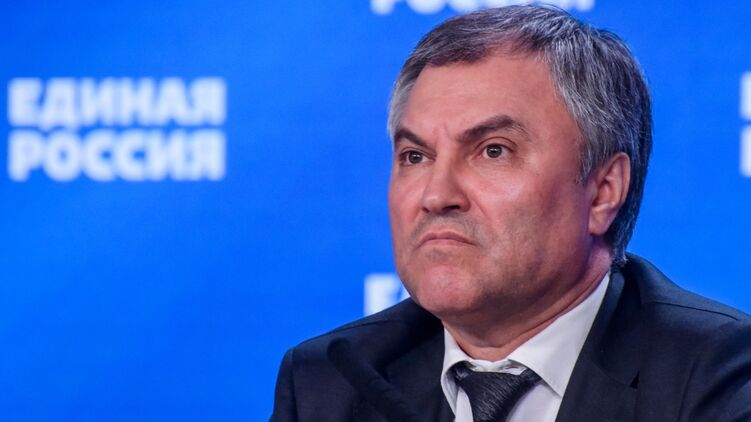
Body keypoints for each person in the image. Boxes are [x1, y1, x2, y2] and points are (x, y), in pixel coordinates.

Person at [271, 5, 751, 422]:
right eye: (416, 156)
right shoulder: (331, 381)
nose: (437, 195)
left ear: (603, 192)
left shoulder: (718, 376)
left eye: (493, 151)